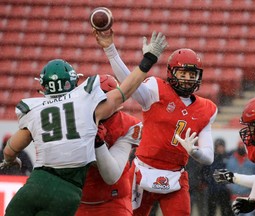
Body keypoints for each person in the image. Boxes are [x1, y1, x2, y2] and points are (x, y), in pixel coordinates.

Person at [0, 29, 167, 216]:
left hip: (96, 196)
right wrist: (148, 60)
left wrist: (97, 143)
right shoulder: (86, 106)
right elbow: (126, 91)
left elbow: (112, 176)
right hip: (71, 193)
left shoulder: (37, 109)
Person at [96, 31, 217, 216]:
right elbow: (128, 83)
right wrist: (111, 50)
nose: (187, 78)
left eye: (192, 74)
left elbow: (209, 157)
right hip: (142, 171)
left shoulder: (206, 108)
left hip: (175, 176)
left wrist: (194, 152)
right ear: (171, 73)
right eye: (182, 73)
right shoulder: (156, 89)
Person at [75, 74, 143, 216]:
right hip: (77, 199)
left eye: (103, 100)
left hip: (113, 200)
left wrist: (98, 143)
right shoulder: (74, 119)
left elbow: (111, 175)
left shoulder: (129, 125)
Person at [203, 138, 234, 216]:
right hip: (212, 190)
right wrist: (209, 181)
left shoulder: (228, 158)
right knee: (211, 211)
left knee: (225, 211)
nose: (221, 148)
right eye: (219, 147)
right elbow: (204, 172)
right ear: (215, 147)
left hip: (225, 191)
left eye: (222, 146)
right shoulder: (211, 158)